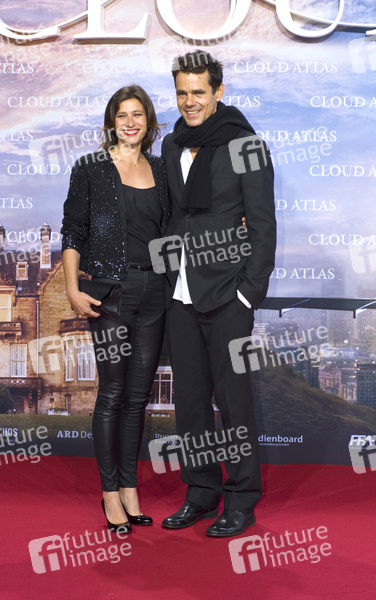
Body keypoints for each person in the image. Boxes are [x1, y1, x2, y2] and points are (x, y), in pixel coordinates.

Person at [160, 51, 276, 537]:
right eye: (182, 93)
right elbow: (174, 215)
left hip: (229, 294)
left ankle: (242, 499)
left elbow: (263, 223)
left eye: (199, 92)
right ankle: (201, 492)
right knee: (189, 405)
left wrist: (249, 293)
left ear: (218, 92)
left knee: (233, 403)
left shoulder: (247, 145)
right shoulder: (171, 144)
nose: (190, 101)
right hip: (181, 294)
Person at [61, 85, 169, 533]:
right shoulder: (90, 168)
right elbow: (73, 230)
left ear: (149, 121)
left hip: (155, 291)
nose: (130, 123)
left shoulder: (161, 169)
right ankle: (109, 494)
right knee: (112, 393)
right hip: (110, 294)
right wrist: (71, 288)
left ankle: (129, 489)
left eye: (137, 114)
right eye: (122, 115)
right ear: (111, 122)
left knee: (138, 398)